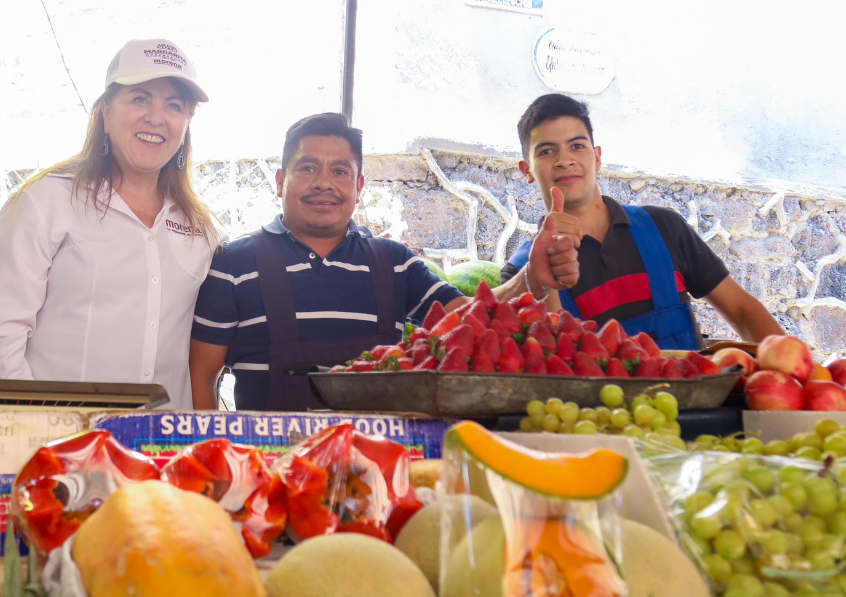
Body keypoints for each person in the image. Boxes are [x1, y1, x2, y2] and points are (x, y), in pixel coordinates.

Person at [189, 112, 581, 411]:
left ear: (358, 187)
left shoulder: (395, 264)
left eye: (340, 171)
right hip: (268, 471)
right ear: (280, 180)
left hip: (379, 469)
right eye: (307, 168)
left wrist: (534, 278)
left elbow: (473, 322)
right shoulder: (233, 265)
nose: (323, 183)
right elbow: (200, 377)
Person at [0, 39, 216, 409]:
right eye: (140, 98)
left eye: (174, 106)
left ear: (187, 124)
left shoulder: (203, 229)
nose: (156, 117)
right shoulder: (45, 202)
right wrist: (39, 429)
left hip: (162, 447)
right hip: (61, 445)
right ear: (105, 110)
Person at [500, 93, 782, 348]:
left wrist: (798, 373)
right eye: (546, 151)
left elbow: (743, 312)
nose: (564, 160)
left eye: (577, 145)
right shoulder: (521, 274)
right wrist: (546, 277)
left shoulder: (665, 227)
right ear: (527, 170)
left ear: (597, 158)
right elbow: (550, 364)